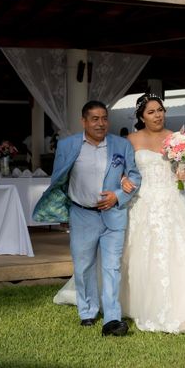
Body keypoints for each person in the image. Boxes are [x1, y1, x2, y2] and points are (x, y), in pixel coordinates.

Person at [55, 94, 185, 334]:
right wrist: (121, 182)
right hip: (141, 203)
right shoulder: (128, 141)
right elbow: (119, 169)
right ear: (141, 116)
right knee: (132, 258)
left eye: (160, 110)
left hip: (173, 200)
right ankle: (119, 305)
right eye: (151, 111)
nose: (158, 115)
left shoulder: (178, 138)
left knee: (183, 256)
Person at [32, 101, 141, 337]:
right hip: (82, 214)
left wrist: (118, 195)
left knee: (112, 267)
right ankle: (88, 312)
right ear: (84, 121)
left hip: (114, 215)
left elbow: (134, 176)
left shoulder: (121, 145)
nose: (101, 123)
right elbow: (59, 179)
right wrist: (61, 210)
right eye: (95, 119)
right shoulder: (67, 145)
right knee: (83, 267)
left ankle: (112, 319)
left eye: (104, 118)